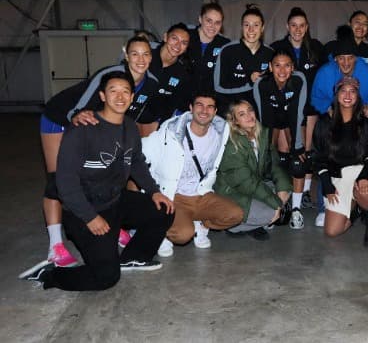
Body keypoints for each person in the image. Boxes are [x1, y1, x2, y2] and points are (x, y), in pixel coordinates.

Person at [20, 71, 175, 289]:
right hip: (84, 210)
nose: (120, 97)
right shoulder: (83, 130)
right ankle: (50, 275)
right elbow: (65, 182)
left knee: (163, 209)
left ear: (132, 98)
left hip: (115, 200)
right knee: (106, 277)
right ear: (102, 96)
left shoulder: (130, 126)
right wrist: (90, 217)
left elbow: (137, 162)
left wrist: (154, 191)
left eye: (125, 92)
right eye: (113, 91)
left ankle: (133, 257)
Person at [36, 36, 161, 269]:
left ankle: (116, 223)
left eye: (145, 54)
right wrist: (78, 118)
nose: (140, 59)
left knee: (115, 166)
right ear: (126, 55)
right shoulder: (110, 73)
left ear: (151, 57)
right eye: (134, 54)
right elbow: (81, 107)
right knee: (57, 179)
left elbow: (135, 115)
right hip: (63, 116)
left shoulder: (151, 82)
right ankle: (55, 244)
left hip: (99, 121)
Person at [142, 90, 244, 257]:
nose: (205, 111)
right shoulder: (171, 130)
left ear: (215, 111)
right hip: (174, 196)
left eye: (210, 107)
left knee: (236, 214)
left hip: (201, 194)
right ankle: (163, 234)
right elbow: (142, 150)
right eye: (200, 105)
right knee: (183, 235)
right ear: (190, 108)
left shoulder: (221, 132)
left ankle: (201, 226)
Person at [311, 25, 368, 226]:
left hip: (361, 123)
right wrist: (328, 107)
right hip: (335, 122)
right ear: (335, 59)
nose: (345, 62)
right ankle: (324, 206)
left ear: (356, 57)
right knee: (326, 151)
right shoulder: (325, 72)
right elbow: (315, 98)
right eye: (340, 58)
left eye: (349, 58)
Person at [313, 77, 368, 247]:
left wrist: (364, 175)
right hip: (338, 176)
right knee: (332, 231)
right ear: (336, 94)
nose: (348, 95)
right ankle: (357, 210)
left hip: (364, 171)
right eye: (343, 90)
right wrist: (326, 184)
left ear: (358, 96)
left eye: (352, 91)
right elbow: (318, 157)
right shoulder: (324, 122)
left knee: (366, 193)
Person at [270, 7, 328, 209]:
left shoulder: (316, 48)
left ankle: (304, 192)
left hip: (310, 108)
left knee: (307, 152)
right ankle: (287, 190)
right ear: (287, 26)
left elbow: (326, 75)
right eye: (293, 25)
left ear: (307, 27)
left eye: (301, 25)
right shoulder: (277, 47)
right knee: (286, 151)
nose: (297, 29)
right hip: (285, 108)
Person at [214, 100, 292, 241]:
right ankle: (234, 226)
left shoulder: (261, 134)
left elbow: (274, 165)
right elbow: (246, 182)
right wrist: (276, 204)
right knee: (270, 213)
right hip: (231, 192)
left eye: (250, 110)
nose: (249, 116)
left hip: (252, 187)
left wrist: (282, 190)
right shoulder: (232, 143)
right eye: (242, 114)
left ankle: (252, 221)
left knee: (286, 189)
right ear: (235, 120)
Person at [253, 50, 309, 229]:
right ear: (270, 67)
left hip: (292, 118)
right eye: (277, 65)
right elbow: (264, 120)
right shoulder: (262, 84)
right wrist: (265, 150)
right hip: (271, 121)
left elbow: (297, 114)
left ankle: (296, 209)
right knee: (267, 161)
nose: (282, 70)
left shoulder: (299, 80)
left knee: (299, 161)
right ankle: (270, 207)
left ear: (292, 67)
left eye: (287, 65)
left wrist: (298, 146)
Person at [214, 4, 274, 116]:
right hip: (232, 114)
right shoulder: (228, 50)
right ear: (242, 27)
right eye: (247, 25)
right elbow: (219, 86)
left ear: (262, 28)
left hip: (258, 115)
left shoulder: (270, 53)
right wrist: (249, 82)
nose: (251, 29)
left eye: (256, 25)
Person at [148, 23, 193, 122]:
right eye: (174, 38)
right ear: (165, 37)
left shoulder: (182, 73)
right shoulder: (146, 57)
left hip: (155, 125)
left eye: (184, 43)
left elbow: (172, 105)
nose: (178, 45)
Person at [187, 0, 231, 93]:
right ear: (200, 19)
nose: (212, 26)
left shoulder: (225, 45)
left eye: (217, 22)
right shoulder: (185, 37)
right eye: (209, 21)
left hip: (210, 102)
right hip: (183, 101)